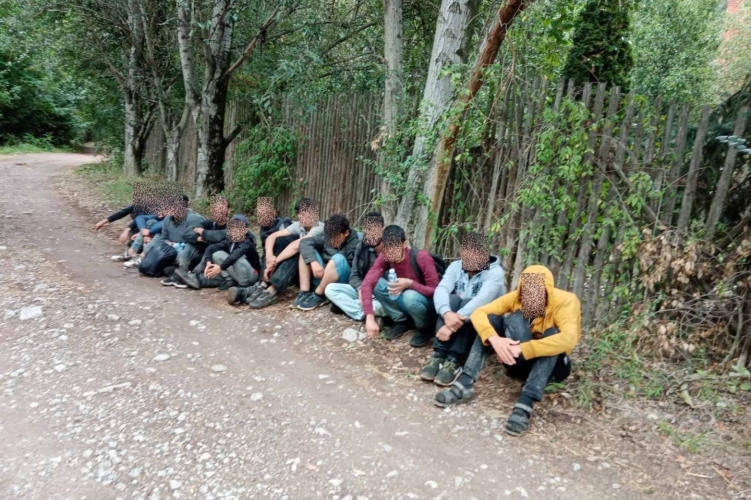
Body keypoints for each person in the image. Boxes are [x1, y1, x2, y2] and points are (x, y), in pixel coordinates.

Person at [434, 265, 581, 437]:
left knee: (554, 334)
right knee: (494, 318)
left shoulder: (565, 301)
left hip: (551, 369)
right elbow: (479, 313)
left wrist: (523, 348)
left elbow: (569, 338)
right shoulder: (516, 298)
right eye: (527, 292)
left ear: (547, 291)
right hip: (516, 362)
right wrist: (494, 339)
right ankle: (466, 382)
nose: (531, 297)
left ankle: (525, 403)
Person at [420, 233, 506, 387]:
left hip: (485, 322)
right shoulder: (455, 266)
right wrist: (446, 313)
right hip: (457, 321)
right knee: (452, 299)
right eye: (467, 254)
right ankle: (439, 355)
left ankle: (455, 359)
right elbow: (441, 289)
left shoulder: (495, 272)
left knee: (469, 302)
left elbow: (481, 301)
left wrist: (450, 325)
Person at [235, 198, 324, 308]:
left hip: (317, 273)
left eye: (307, 213)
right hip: (301, 273)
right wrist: (269, 257)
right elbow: (271, 237)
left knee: (296, 250)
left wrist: (274, 262)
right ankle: (263, 285)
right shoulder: (299, 226)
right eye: (300, 213)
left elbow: (297, 245)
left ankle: (272, 290)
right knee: (280, 241)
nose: (302, 216)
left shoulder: (320, 227)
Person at [361, 225, 440, 348]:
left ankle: (424, 328)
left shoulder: (421, 257)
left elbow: (435, 291)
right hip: (404, 300)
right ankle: (400, 320)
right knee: (376, 283)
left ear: (404, 244)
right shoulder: (385, 256)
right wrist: (369, 317)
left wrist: (410, 284)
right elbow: (367, 283)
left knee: (410, 295)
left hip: (425, 304)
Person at [324, 212, 386, 320]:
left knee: (388, 305)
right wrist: (361, 289)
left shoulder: (392, 248)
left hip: (382, 294)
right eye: (367, 229)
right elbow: (354, 275)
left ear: (383, 229)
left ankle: (352, 307)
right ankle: (362, 313)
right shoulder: (361, 246)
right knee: (330, 289)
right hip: (364, 290)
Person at [174, 215, 260, 291]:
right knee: (217, 254)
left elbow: (234, 256)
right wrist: (208, 261)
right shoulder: (230, 240)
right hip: (238, 272)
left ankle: (243, 286)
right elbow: (211, 248)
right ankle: (229, 280)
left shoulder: (248, 242)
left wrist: (220, 268)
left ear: (245, 230)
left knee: (237, 259)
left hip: (252, 275)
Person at [295, 214, 360, 311]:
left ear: (346, 233)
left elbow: (356, 273)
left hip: (341, 283)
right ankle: (304, 293)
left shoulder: (357, 244)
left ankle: (319, 295)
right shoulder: (327, 238)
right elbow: (305, 242)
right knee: (306, 252)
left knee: (338, 258)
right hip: (322, 275)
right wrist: (313, 262)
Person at [144, 195, 206, 286]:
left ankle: (183, 274)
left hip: (192, 251)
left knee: (187, 249)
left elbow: (196, 239)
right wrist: (169, 243)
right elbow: (164, 237)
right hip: (172, 248)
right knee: (152, 249)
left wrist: (179, 244)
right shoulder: (167, 219)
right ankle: (173, 270)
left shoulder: (194, 219)